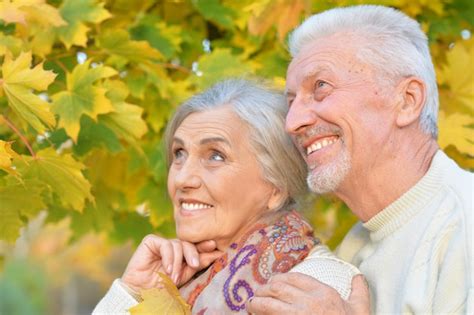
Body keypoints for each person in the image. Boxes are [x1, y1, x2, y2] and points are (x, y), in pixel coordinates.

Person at [247, 5, 473, 315]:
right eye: (291, 102)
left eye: (321, 87)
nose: (293, 122)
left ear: (407, 101)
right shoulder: (349, 251)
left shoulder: (466, 225)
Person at [93, 79, 362, 314]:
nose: (183, 179)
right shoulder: (183, 283)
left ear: (276, 188)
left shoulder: (318, 285)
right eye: (179, 154)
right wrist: (132, 292)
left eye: (215, 156)